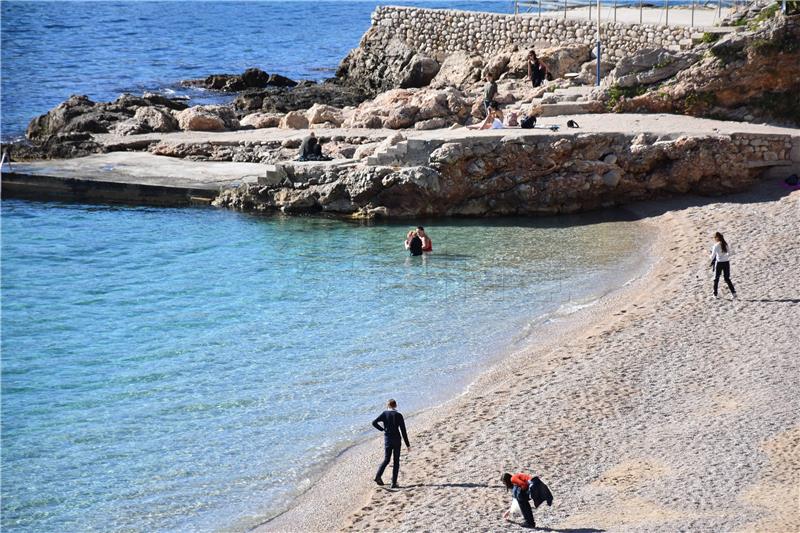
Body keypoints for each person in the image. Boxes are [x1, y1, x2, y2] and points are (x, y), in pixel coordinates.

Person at [372, 399, 411, 489]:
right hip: (397, 439)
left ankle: (378, 476)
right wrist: (408, 445)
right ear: (396, 405)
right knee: (396, 461)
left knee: (386, 459)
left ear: (388, 405)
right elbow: (403, 431)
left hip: (388, 439)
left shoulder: (384, 413)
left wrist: (382, 429)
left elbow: (374, 423)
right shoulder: (399, 415)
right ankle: (393, 483)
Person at [710, 231, 737, 298]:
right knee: (727, 278)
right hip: (726, 262)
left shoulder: (715, 246)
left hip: (719, 263)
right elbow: (729, 253)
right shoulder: (725, 244)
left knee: (716, 279)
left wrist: (708, 255)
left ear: (716, 238)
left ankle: (715, 294)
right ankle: (734, 293)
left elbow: (712, 257)